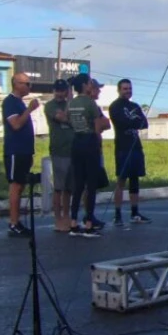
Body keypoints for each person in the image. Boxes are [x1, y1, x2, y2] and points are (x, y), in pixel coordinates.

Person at [65, 75, 110, 237]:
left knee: (78, 185)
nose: (91, 85)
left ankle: (73, 223)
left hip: (76, 142)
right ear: (85, 85)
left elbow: (68, 119)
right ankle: (89, 224)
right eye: (90, 83)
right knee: (90, 185)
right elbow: (98, 127)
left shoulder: (72, 103)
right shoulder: (90, 103)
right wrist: (97, 144)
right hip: (89, 141)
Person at [2, 71, 40, 238]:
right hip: (15, 151)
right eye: (26, 83)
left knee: (21, 185)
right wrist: (30, 110)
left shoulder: (19, 103)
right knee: (15, 186)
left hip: (24, 151)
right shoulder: (10, 102)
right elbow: (16, 124)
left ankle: (17, 221)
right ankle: (13, 222)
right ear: (17, 84)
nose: (29, 86)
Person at [109, 78, 151, 226]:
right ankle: (118, 214)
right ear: (119, 90)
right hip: (122, 147)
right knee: (121, 181)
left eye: (129, 88)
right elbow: (121, 123)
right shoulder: (115, 106)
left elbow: (145, 123)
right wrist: (135, 122)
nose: (128, 91)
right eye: (125, 88)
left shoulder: (135, 105)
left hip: (136, 147)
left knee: (135, 180)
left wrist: (135, 122)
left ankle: (135, 212)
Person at [42, 78, 74, 235]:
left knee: (69, 188)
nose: (61, 94)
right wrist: (69, 103)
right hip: (59, 150)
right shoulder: (50, 105)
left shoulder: (70, 103)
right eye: (58, 90)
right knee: (59, 187)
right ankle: (58, 218)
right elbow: (63, 118)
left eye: (63, 90)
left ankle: (67, 217)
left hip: (72, 150)